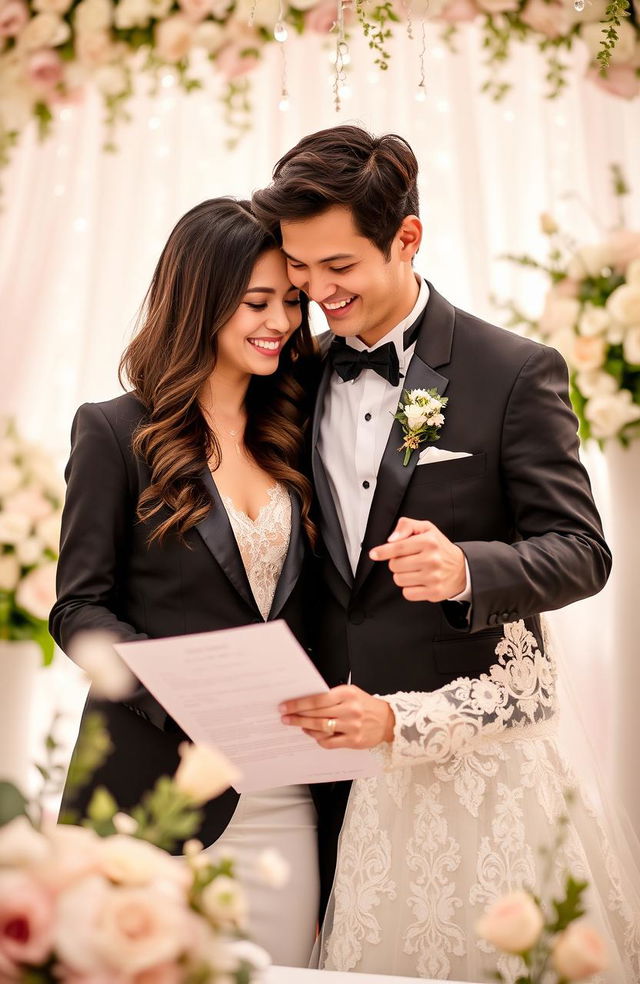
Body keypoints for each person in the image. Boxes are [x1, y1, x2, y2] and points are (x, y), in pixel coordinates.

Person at [252, 126, 640, 979]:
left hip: (481, 779)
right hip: (338, 777)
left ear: (407, 238)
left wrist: (470, 569)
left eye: (340, 267)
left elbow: (583, 550)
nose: (316, 292)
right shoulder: (294, 374)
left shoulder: (513, 371)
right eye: (300, 267)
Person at [49, 198, 321, 967]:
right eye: (256, 302)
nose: (281, 321)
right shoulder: (113, 431)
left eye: (291, 302)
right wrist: (187, 696)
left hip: (283, 802)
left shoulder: (296, 430)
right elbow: (78, 609)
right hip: (151, 795)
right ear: (200, 299)